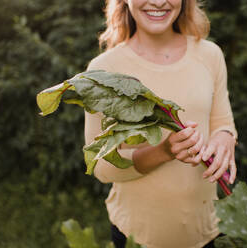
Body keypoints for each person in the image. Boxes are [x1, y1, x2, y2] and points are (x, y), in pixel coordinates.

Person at [84, 0, 238, 247]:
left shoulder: (210, 55)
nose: (157, 1)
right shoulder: (104, 70)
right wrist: (163, 152)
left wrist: (224, 139)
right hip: (136, 236)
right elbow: (101, 166)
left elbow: (223, 123)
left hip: (208, 231)